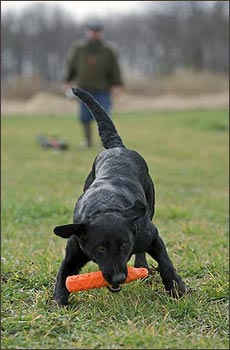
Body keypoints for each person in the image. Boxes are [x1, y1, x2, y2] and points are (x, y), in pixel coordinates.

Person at [63, 21, 122, 148]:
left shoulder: (108, 50)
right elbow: (71, 66)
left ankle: (106, 143)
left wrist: (116, 85)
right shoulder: (79, 48)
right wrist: (67, 81)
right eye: (92, 31)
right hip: (84, 88)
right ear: (87, 32)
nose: (94, 34)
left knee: (104, 116)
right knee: (84, 117)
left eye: (97, 32)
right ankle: (87, 141)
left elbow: (115, 69)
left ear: (101, 33)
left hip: (103, 89)